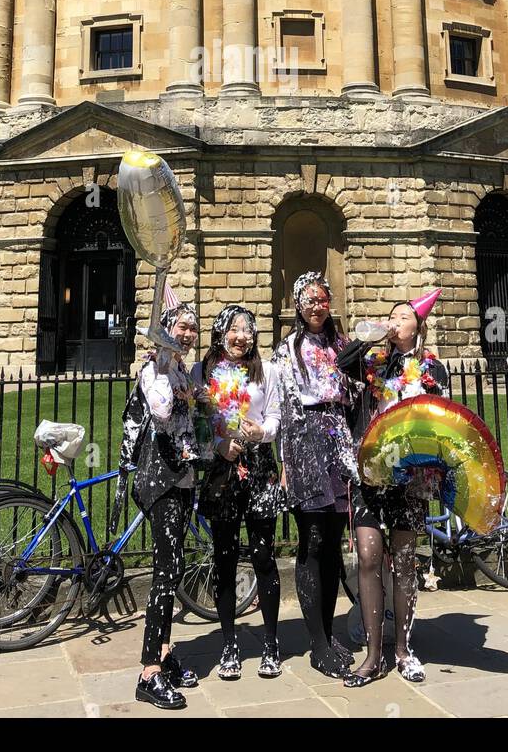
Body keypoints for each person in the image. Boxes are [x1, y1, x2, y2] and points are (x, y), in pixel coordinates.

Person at [338, 289, 443, 686]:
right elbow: (341, 362)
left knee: (403, 563)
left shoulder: (432, 368)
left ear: (419, 326)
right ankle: (372, 655)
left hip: (409, 479)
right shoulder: (374, 363)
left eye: (402, 316)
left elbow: (441, 418)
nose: (395, 320)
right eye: (391, 316)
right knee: (368, 557)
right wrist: (370, 334)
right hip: (370, 472)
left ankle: (402, 649)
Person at [273, 271, 358, 679]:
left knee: (334, 542)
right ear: (297, 305)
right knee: (313, 537)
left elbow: (355, 395)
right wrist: (286, 465)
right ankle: (318, 644)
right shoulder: (287, 348)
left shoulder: (341, 346)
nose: (317, 306)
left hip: (338, 441)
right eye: (309, 300)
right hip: (305, 440)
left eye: (322, 299)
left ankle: (329, 631)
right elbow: (285, 408)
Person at [191, 305, 283, 679]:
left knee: (263, 556)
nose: (240, 336)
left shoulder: (268, 371)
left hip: (259, 467)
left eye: (247, 330)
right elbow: (196, 424)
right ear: (220, 333)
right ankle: (229, 644)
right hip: (221, 470)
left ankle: (271, 643)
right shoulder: (202, 372)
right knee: (225, 557)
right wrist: (217, 445)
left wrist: (263, 432)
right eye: (233, 329)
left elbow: (277, 416)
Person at [133, 303, 202, 711]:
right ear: (165, 331)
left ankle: (163, 650)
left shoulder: (177, 371)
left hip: (182, 478)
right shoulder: (154, 371)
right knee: (164, 571)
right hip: (160, 479)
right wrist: (165, 368)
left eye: (193, 327)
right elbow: (160, 411)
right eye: (182, 326)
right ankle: (147, 672)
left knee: (173, 567)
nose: (190, 333)